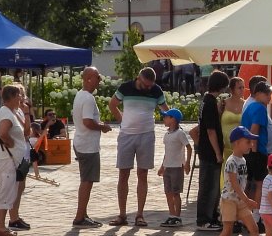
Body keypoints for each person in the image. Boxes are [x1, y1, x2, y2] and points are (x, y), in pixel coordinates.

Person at [108, 66, 166, 227]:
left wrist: (171, 120)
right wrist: (122, 120)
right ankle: (122, 214)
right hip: (127, 135)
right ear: (138, 78)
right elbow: (112, 104)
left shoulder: (156, 90)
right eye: (145, 84)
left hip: (147, 135)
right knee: (123, 173)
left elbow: (165, 109)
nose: (148, 88)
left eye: (150, 85)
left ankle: (140, 214)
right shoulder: (126, 87)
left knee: (143, 174)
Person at [206, 127, 267, 236]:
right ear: (237, 142)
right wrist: (247, 200)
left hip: (240, 201)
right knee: (227, 231)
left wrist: (244, 200)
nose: (251, 145)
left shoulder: (243, 161)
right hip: (229, 200)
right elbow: (234, 185)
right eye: (248, 142)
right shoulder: (231, 161)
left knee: (253, 228)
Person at [70, 67, 111, 226]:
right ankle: (80, 216)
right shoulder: (87, 98)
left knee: (86, 180)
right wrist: (102, 127)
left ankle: (83, 214)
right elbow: (87, 122)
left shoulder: (80, 95)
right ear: (88, 79)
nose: (99, 80)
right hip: (87, 145)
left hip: (82, 142)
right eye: (97, 77)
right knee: (87, 181)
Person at [0, 84, 30, 236]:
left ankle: (2, 226)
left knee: (9, 192)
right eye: (18, 96)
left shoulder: (12, 112)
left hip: (11, 160)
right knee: (5, 193)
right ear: (13, 97)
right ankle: (0, 227)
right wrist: (10, 143)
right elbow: (2, 132)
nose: (21, 98)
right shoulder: (6, 114)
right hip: (7, 160)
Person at [196, 70, 230, 230]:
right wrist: (217, 152)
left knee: (212, 185)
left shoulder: (207, 101)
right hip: (209, 152)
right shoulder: (209, 103)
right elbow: (211, 131)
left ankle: (211, 216)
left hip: (205, 150)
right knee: (208, 186)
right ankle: (204, 219)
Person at [157, 108, 193, 226]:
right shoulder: (167, 135)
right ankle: (171, 214)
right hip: (168, 167)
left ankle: (177, 217)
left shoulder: (180, 133)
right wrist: (163, 166)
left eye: (166, 117)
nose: (164, 119)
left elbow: (188, 147)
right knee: (168, 192)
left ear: (173, 119)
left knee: (176, 193)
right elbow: (167, 152)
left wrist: (187, 163)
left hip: (177, 167)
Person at [241, 81, 272, 193]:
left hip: (247, 149)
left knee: (247, 181)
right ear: (258, 93)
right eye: (267, 94)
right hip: (256, 151)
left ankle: (245, 208)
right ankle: (256, 208)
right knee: (260, 183)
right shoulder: (260, 108)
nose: (269, 97)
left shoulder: (250, 106)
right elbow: (254, 129)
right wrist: (253, 151)